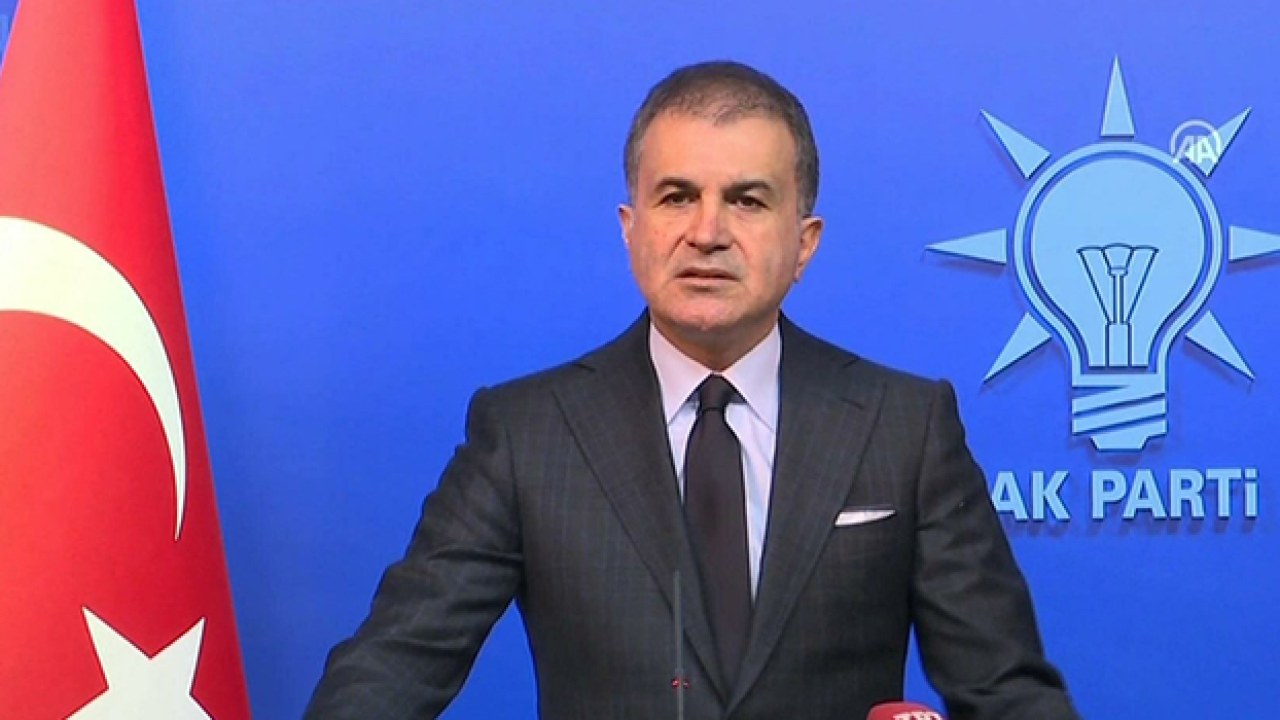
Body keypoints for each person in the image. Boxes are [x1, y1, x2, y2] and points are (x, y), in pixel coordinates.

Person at [305, 61, 1081, 720]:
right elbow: (392, 669)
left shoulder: (904, 427)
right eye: (677, 196)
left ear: (804, 242)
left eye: (747, 200)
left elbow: (1007, 694)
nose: (707, 232)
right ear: (630, 228)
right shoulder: (525, 433)